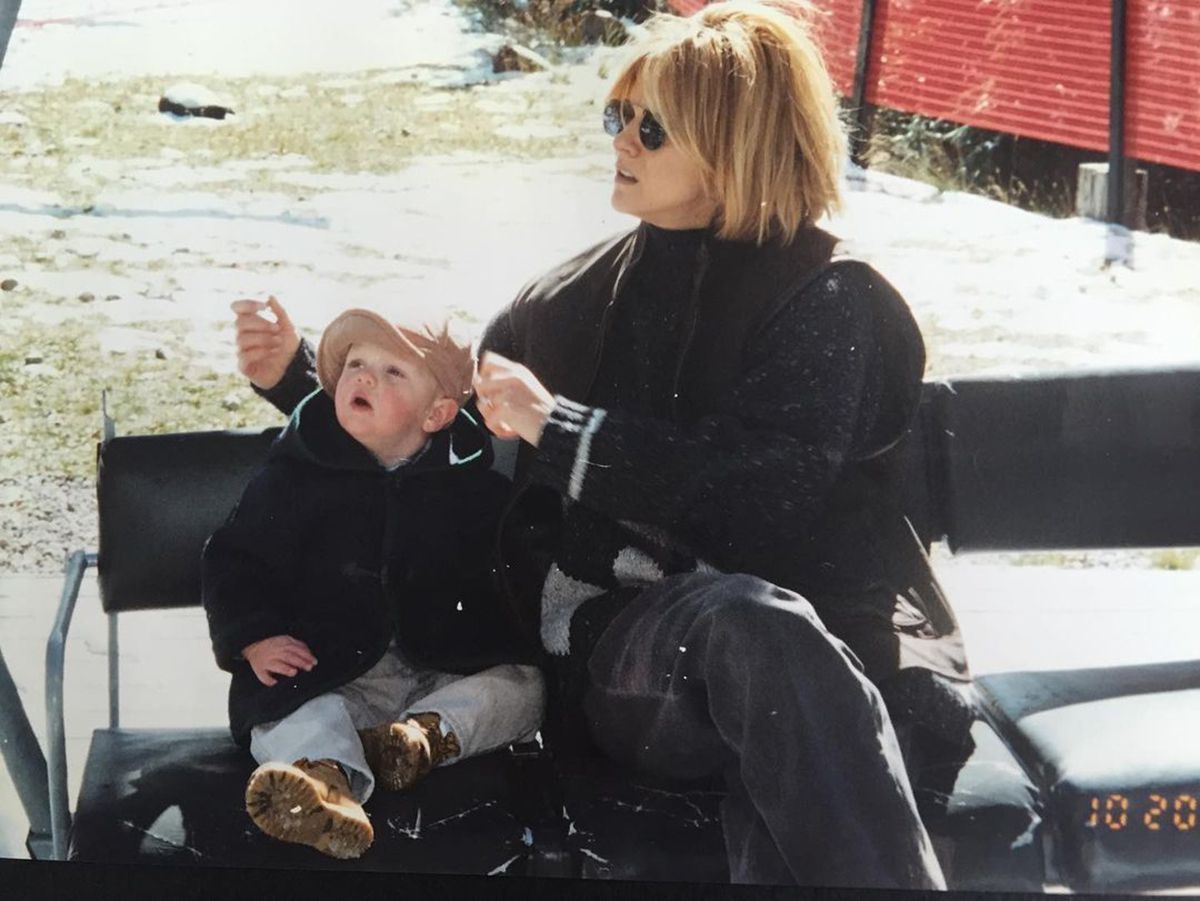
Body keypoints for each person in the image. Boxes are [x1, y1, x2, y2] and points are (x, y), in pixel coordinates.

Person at [231, 1, 971, 887]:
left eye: (650, 127)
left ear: (736, 141)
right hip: (630, 660)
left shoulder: (831, 301)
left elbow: (761, 500)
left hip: (833, 646)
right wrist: (300, 373)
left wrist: (564, 428)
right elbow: (435, 408)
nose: (620, 140)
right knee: (751, 632)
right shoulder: (574, 296)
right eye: (615, 114)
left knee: (770, 658)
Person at [202, 307, 544, 860]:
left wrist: (486, 632)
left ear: (437, 413)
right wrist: (254, 636)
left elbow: (507, 578)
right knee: (286, 709)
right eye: (356, 364)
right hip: (327, 670)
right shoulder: (294, 476)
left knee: (524, 688)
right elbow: (235, 559)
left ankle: (422, 739)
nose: (363, 378)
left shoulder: (472, 491)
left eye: (392, 373)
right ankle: (322, 788)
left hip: (436, 674)